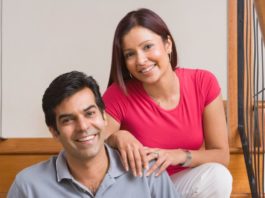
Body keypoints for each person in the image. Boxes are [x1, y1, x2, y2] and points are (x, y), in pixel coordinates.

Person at [103, 8, 233, 198]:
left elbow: (221, 155)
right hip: (141, 188)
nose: (141, 60)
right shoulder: (118, 94)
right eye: (130, 54)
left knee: (218, 177)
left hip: (182, 184)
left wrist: (178, 155)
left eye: (147, 47)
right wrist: (117, 137)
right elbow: (93, 149)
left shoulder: (203, 82)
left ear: (168, 44)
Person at [7, 71, 179, 198]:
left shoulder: (148, 171)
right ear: (54, 131)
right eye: (68, 120)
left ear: (104, 116)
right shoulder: (28, 186)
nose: (82, 126)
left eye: (90, 113)